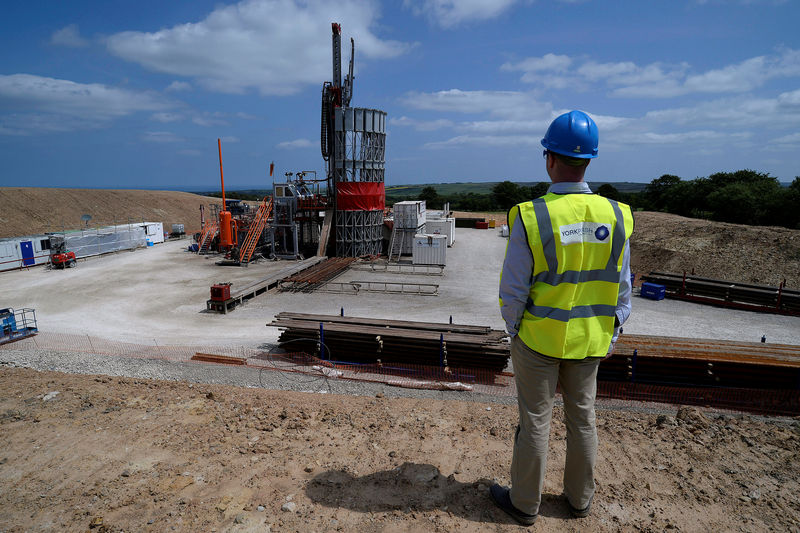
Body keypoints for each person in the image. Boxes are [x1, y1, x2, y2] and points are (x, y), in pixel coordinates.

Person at [492, 110, 633, 526]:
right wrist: (612, 330)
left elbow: (513, 290)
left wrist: (515, 330)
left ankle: (524, 504)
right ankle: (579, 500)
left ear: (549, 158)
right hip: (590, 341)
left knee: (535, 421)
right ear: (589, 160)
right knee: (582, 419)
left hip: (538, 340)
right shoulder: (618, 215)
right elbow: (623, 289)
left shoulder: (531, 215)